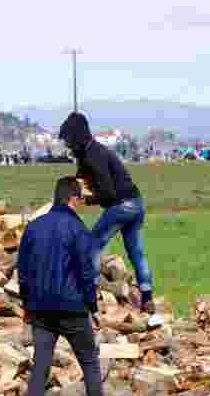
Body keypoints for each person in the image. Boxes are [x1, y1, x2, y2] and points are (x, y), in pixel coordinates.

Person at [17, 177, 126, 396]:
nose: (82, 205)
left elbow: (23, 271)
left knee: (40, 365)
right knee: (89, 361)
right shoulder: (77, 229)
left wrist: (27, 304)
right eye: (81, 200)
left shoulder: (34, 227)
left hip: (41, 309)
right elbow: (86, 272)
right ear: (73, 198)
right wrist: (92, 307)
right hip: (72, 308)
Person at [59, 111, 156, 314]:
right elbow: (81, 179)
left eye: (68, 141)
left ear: (76, 137)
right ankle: (147, 297)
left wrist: (88, 199)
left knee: (92, 246)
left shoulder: (94, 156)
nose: (67, 146)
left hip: (120, 205)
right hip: (136, 204)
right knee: (136, 252)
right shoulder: (92, 152)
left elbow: (108, 193)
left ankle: (90, 297)